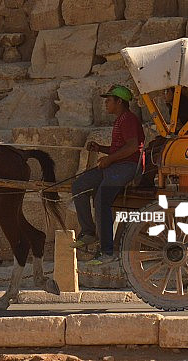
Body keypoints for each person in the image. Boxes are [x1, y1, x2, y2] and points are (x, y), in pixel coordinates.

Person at [70, 85, 145, 265]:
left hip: (128, 167)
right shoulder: (120, 120)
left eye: (109, 100)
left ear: (120, 102)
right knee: (79, 186)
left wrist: (109, 159)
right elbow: (120, 148)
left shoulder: (128, 119)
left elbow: (133, 147)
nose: (106, 103)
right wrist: (101, 149)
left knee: (102, 199)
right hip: (116, 165)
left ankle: (107, 251)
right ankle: (88, 232)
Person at [139, 87, 188, 187]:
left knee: (155, 157)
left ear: (175, 93)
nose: (163, 95)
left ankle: (146, 185)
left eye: (166, 91)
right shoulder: (176, 108)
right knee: (151, 149)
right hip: (183, 144)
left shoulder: (184, 109)